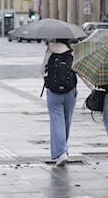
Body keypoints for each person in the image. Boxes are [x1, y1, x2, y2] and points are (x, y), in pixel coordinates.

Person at [41, 38, 77, 166]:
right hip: (70, 92)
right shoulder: (72, 53)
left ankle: (61, 152)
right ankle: (63, 150)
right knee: (66, 121)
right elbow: (79, 71)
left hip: (53, 92)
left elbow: (42, 70)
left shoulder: (50, 51)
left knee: (56, 121)